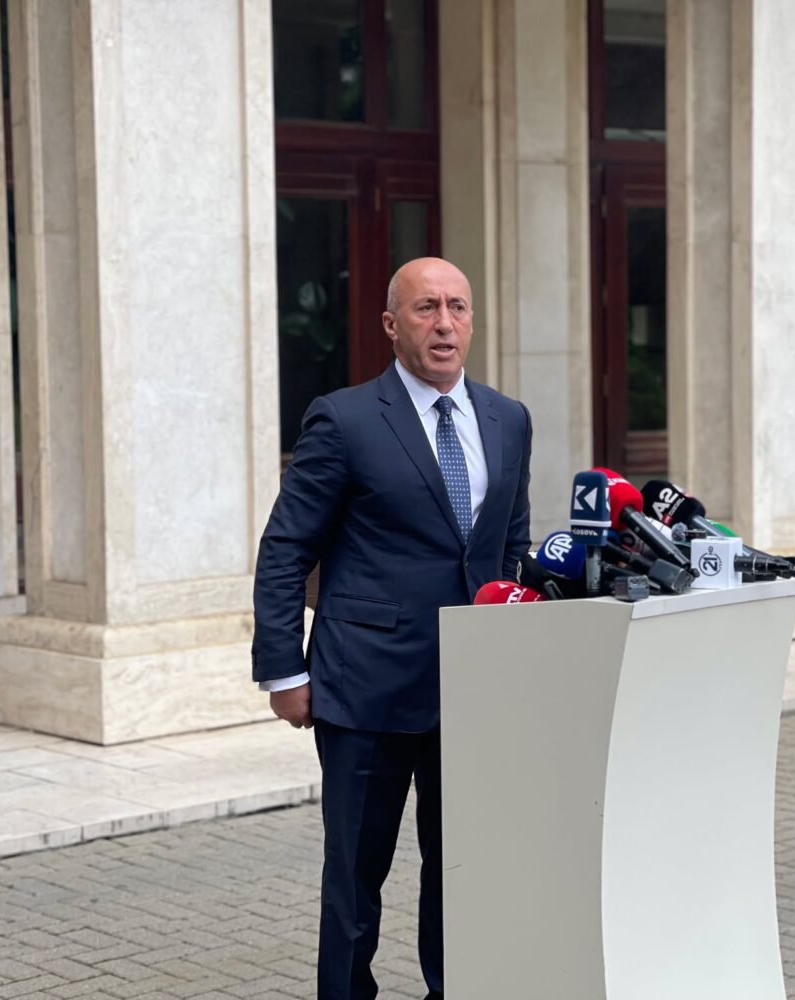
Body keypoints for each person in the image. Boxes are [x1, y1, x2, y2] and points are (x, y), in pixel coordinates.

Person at [251, 257, 533, 1000]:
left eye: (457, 307)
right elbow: (286, 548)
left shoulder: (508, 419)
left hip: (472, 690)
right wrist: (283, 670)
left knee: (461, 871)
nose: (444, 324)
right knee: (355, 877)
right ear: (390, 324)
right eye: (425, 308)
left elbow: (510, 546)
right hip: (364, 689)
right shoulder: (343, 419)